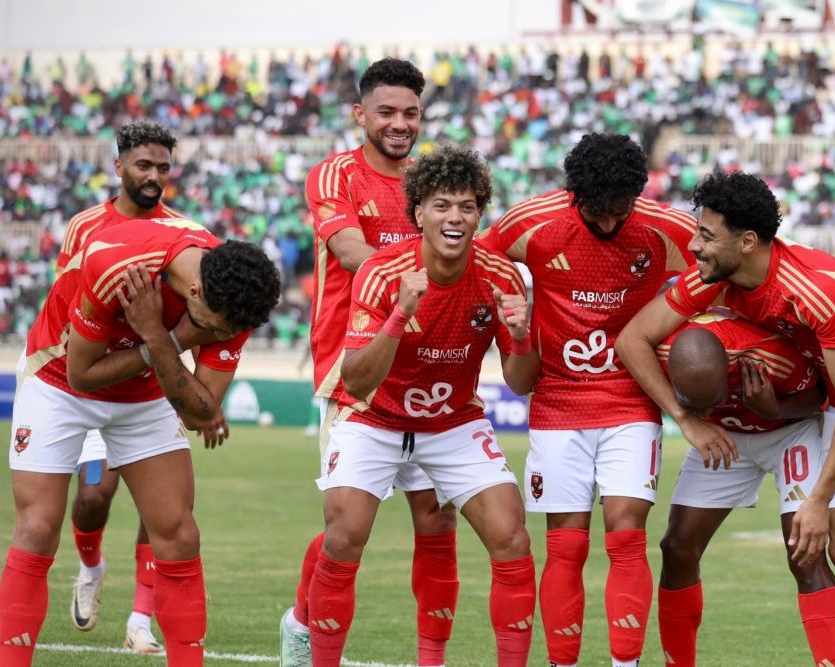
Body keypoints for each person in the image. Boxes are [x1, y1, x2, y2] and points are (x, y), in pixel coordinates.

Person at [616, 170, 835, 667]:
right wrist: (687, 419)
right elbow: (632, 339)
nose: (694, 245)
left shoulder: (815, 289)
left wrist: (817, 500)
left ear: (747, 242)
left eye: (707, 235)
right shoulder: (712, 278)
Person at [0, 217, 280, 667]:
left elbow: (200, 412)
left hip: (147, 389)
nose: (225, 337)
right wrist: (168, 342)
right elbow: (82, 375)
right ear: (195, 292)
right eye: (218, 328)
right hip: (57, 381)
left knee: (179, 534)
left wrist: (161, 337)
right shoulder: (118, 263)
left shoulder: (238, 296)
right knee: (37, 529)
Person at [307, 144, 539, 666]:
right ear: (418, 213)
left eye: (467, 205)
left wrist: (522, 336)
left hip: (451, 421)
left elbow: (522, 384)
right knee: (343, 535)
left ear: (480, 213)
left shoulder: (501, 276)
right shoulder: (384, 273)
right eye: (441, 205)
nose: (454, 217)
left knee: (511, 536)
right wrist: (399, 316)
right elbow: (357, 379)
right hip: (374, 417)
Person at [478, 133, 696, 667]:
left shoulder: (667, 228)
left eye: (617, 212)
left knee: (626, 529)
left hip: (631, 398)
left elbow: (723, 265)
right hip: (557, 402)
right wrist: (511, 317)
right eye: (593, 212)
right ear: (574, 195)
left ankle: (626, 663)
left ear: (636, 196)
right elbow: (477, 259)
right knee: (566, 544)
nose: (605, 224)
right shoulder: (533, 221)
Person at [280, 57, 461, 667]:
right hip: (353, 364)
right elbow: (351, 247)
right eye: (386, 112)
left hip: (430, 370)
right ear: (360, 114)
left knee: (436, 521)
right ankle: (301, 624)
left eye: (410, 113)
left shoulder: (430, 181)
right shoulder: (336, 174)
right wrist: (414, 272)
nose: (399, 123)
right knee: (348, 528)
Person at [58, 121, 186, 655]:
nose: (154, 176)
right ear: (119, 167)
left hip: (150, 390)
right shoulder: (84, 226)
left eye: (162, 168)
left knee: (161, 509)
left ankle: (140, 618)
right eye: (143, 166)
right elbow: (65, 304)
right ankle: (90, 567)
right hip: (92, 386)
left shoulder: (182, 231)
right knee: (92, 497)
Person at [655, 319, 835, 667]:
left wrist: (776, 409)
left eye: (711, 400)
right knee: (677, 547)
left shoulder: (771, 356)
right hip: (721, 437)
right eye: (696, 403)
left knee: (805, 553)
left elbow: (819, 393)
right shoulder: (662, 351)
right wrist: (689, 417)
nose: (706, 409)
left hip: (788, 432)